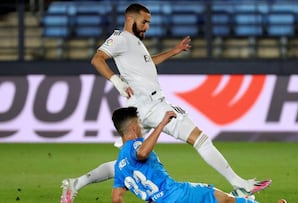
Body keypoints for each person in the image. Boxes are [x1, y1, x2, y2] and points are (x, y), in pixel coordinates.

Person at [61, 3, 271, 203]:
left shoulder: (134, 42)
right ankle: (239, 184)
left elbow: (147, 64)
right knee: (200, 139)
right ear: (130, 19)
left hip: (148, 105)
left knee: (125, 164)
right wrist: (116, 81)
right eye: (144, 22)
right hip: (149, 105)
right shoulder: (120, 39)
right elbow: (97, 58)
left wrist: (173, 51)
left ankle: (77, 182)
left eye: (148, 22)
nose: (147, 27)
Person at [112, 107, 259, 203]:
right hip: (177, 195)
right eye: (139, 124)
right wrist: (162, 124)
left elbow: (117, 198)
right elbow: (142, 153)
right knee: (224, 199)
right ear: (132, 127)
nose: (140, 127)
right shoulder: (135, 144)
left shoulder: (119, 165)